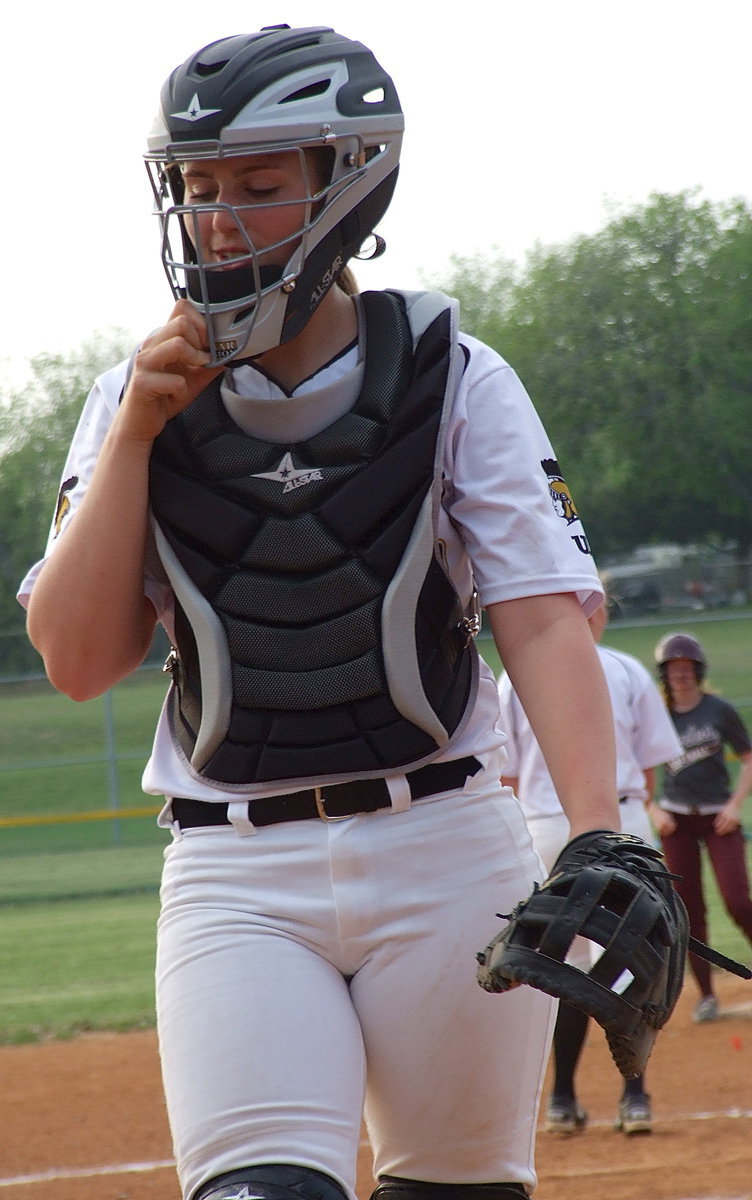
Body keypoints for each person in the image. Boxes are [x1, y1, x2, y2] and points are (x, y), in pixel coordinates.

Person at [17, 25, 621, 1200]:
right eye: (195, 188)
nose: (217, 218)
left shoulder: (452, 371)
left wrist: (598, 835)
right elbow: (82, 661)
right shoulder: (124, 395)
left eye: (257, 185)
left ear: (348, 183)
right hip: (235, 872)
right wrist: (140, 434)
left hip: (444, 847)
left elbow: (540, 621)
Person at [497, 601, 682, 1137]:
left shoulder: (515, 677)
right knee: (629, 963)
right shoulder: (624, 669)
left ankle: (561, 1099)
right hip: (619, 819)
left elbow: (506, 775)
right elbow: (648, 776)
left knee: (561, 967)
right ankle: (634, 1098)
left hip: (542, 825)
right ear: (595, 613)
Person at [650, 632, 752, 1024]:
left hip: (718, 820)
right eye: (673, 669)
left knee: (738, 900)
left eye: (688, 668)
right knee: (687, 912)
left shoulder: (718, 710)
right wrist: (652, 807)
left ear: (699, 671)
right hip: (676, 821)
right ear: (664, 674)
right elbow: (635, 761)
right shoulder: (657, 716)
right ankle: (707, 995)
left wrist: (735, 804)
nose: (681, 675)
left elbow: (747, 757)